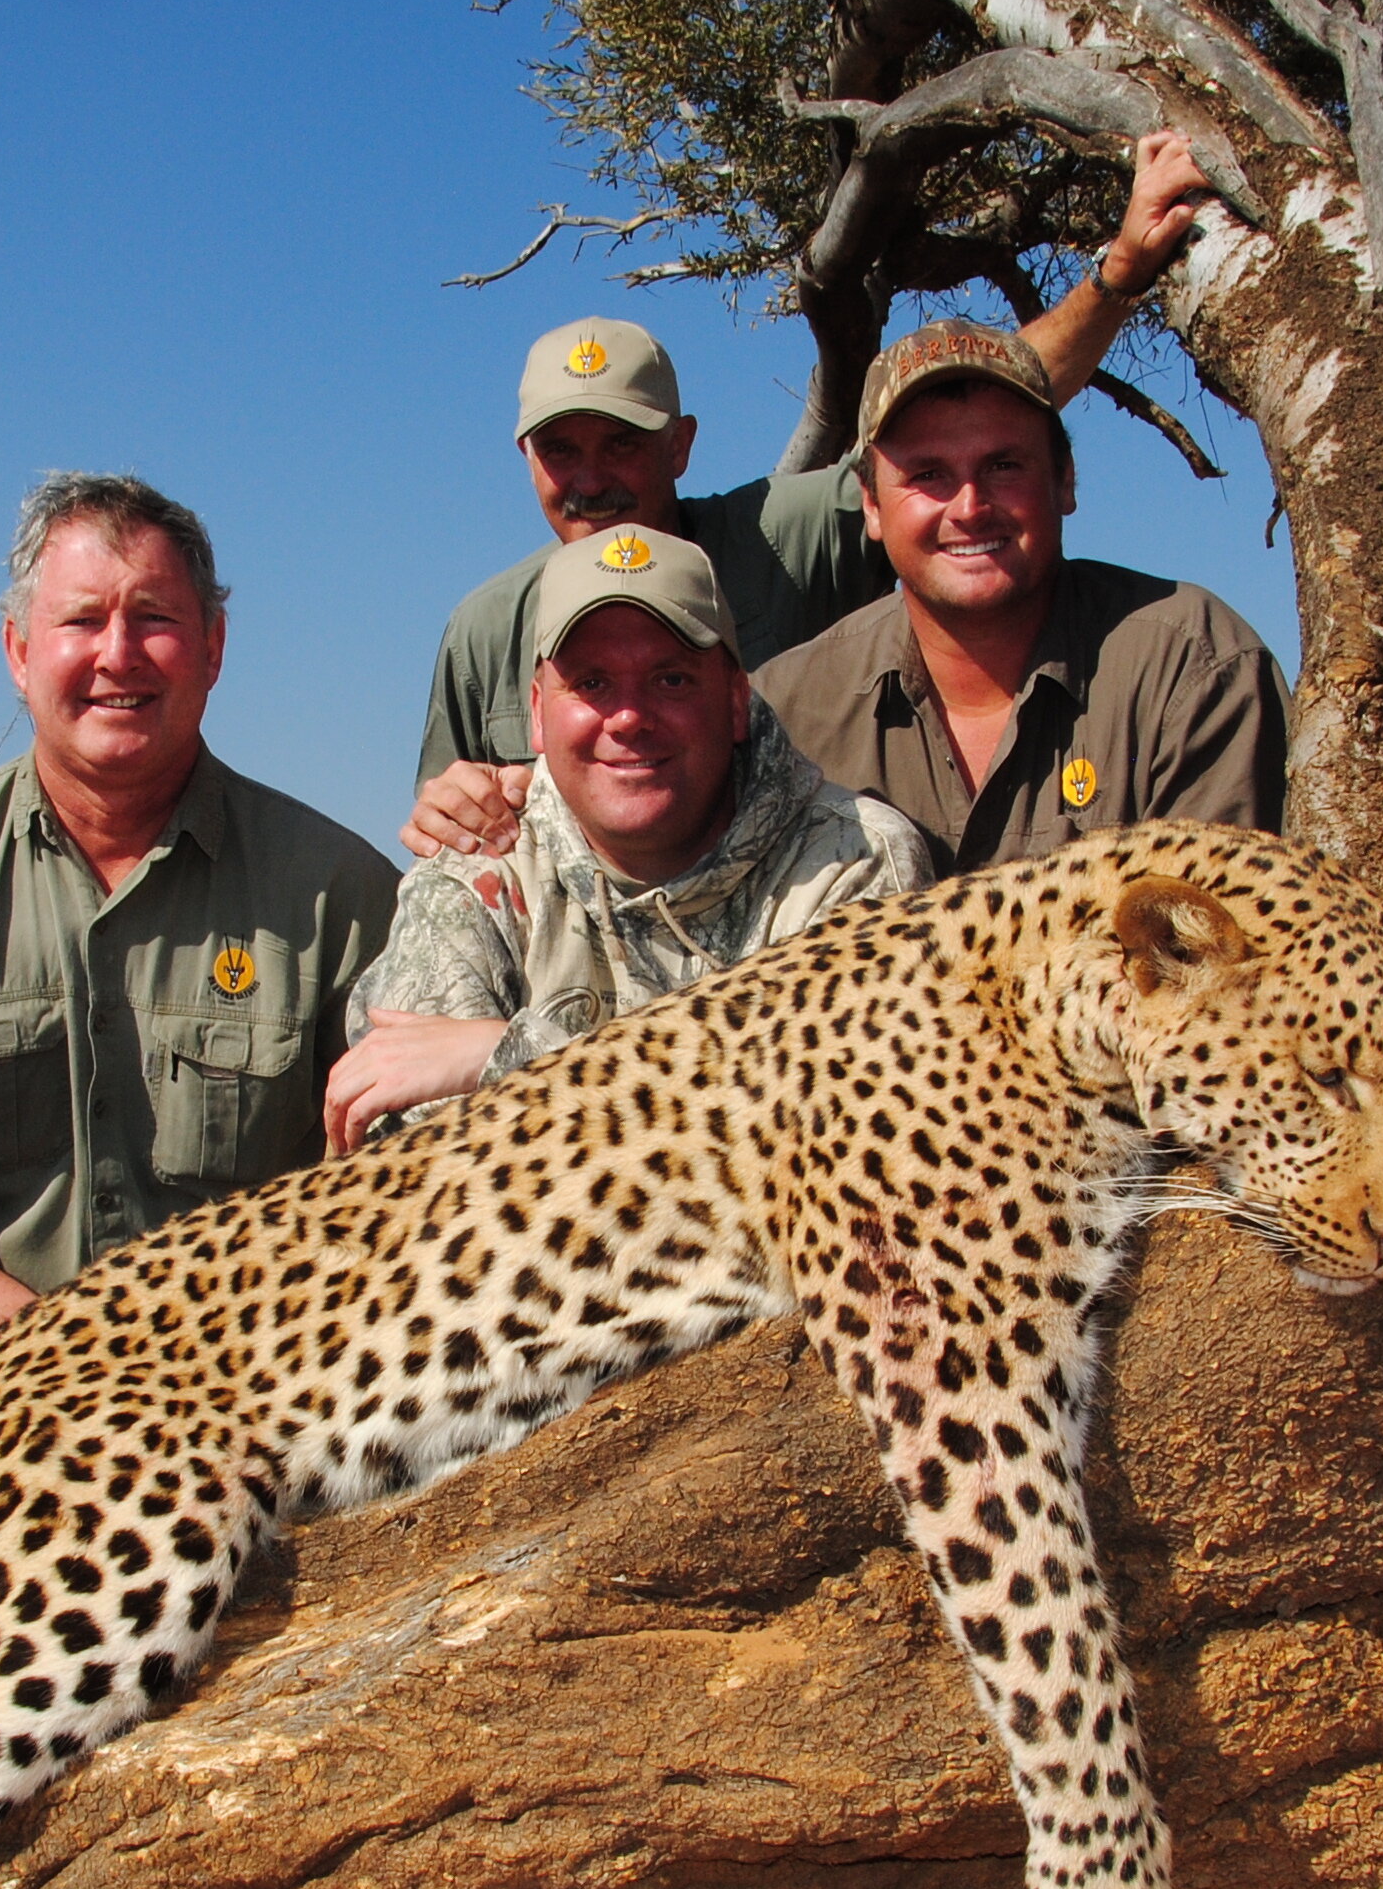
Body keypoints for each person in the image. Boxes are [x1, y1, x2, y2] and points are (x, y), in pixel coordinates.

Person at [0, 473, 398, 1506]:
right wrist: (22, 1333)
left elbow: (395, 1187)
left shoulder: (341, 891)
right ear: (16, 651)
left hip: (242, 1362)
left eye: (155, 620)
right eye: (81, 620)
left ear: (215, 646)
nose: (117, 656)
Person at [405, 130, 1221, 858]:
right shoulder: (482, 631)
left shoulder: (783, 535)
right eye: (560, 450)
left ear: (681, 446)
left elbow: (949, 438)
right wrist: (451, 814)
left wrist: (1119, 273)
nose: (590, 478)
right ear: (524, 455)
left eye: (622, 443)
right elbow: (449, 826)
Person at [327, 525, 928, 1147]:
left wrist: (506, 1056)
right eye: (591, 684)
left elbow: (835, 1140)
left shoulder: (856, 862)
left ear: (733, 700)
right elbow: (425, 1168)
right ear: (537, 711)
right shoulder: (473, 873)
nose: (629, 718)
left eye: (670, 679)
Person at [750, 318, 1287, 874]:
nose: (969, 507)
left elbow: (1218, 940)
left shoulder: (1194, 667)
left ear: (1064, 481)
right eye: (928, 474)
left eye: (1003, 466)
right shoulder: (784, 712)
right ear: (870, 505)